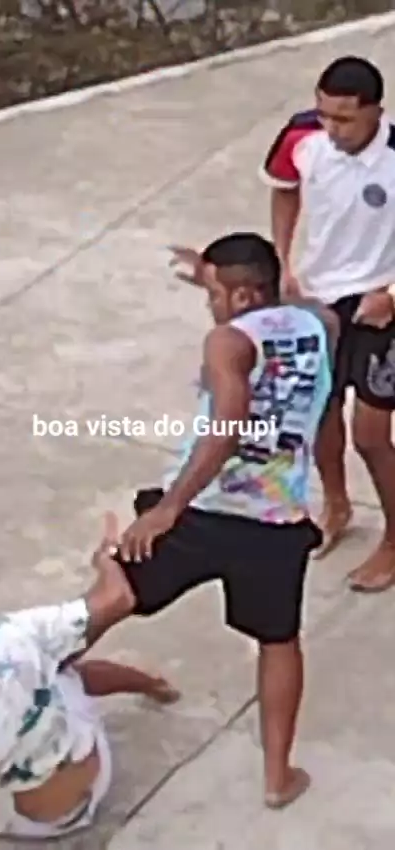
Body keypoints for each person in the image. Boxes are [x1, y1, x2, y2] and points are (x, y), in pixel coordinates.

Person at [106, 232, 336, 808]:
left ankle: (24, 681)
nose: (210, 303)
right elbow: (283, 312)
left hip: (204, 510)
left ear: (242, 296)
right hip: (275, 522)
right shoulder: (322, 325)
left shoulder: (225, 341)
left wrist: (167, 508)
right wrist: (212, 274)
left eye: (214, 293)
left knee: (110, 594)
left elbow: (227, 426)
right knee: (279, 640)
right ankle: (277, 777)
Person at [0, 525, 178, 850]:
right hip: (98, 769)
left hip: (55, 818)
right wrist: (105, 560)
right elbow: (120, 599)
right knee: (62, 672)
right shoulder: (17, 629)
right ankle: (155, 686)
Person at [259, 55, 395, 590]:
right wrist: (282, 262)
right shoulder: (301, 136)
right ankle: (336, 505)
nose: (331, 128)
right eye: (324, 115)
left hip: (380, 304)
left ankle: (394, 540)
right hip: (318, 297)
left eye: (344, 119)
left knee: (371, 436)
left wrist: (391, 295)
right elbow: (283, 187)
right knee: (320, 412)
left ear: (375, 112)